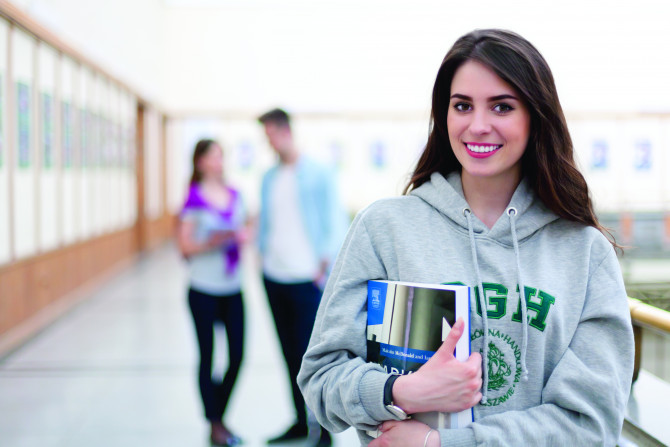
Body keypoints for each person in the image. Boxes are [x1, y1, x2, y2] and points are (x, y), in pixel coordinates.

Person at [297, 29, 634, 446]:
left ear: (535, 116)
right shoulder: (384, 229)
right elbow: (321, 377)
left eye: (502, 107)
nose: (478, 125)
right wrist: (399, 392)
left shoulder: (585, 252)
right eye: (462, 106)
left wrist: (439, 444)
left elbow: (591, 423)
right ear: (445, 115)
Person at [257, 108, 348, 446]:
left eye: (269, 134)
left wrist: (324, 266)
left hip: (306, 280)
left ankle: (323, 430)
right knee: (287, 354)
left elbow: (333, 221)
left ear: (283, 131)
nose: (267, 142)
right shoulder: (268, 177)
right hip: (274, 276)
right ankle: (298, 420)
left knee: (312, 358)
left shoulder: (317, 172)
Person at [177, 139, 247, 447]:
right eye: (213, 156)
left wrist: (241, 235)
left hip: (232, 288)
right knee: (208, 357)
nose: (219, 161)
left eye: (222, 155)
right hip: (203, 289)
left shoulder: (235, 195)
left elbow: (247, 229)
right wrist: (216, 240)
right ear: (200, 162)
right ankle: (216, 423)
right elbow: (185, 246)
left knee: (237, 356)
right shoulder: (193, 199)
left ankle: (218, 416)